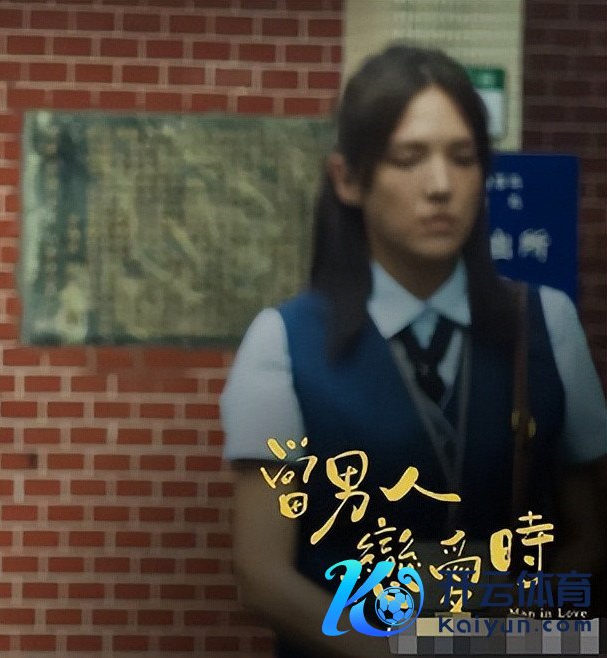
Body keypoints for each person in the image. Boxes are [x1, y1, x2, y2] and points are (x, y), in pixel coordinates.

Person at [221, 44, 607, 658]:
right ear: (348, 179)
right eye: (408, 159)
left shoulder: (546, 324)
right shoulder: (284, 344)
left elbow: (589, 536)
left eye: (463, 158)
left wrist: (494, 639)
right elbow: (262, 575)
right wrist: (407, 652)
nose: (440, 186)